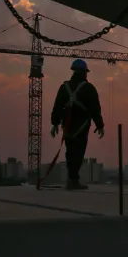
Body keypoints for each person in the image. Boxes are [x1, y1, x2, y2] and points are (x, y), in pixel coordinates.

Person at [50, 59, 105, 190]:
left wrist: (55, 124)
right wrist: (100, 125)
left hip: (68, 125)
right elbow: (95, 108)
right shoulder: (89, 88)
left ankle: (72, 179)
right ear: (84, 73)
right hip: (81, 125)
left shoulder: (64, 87)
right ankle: (73, 180)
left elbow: (57, 106)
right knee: (78, 153)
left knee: (70, 152)